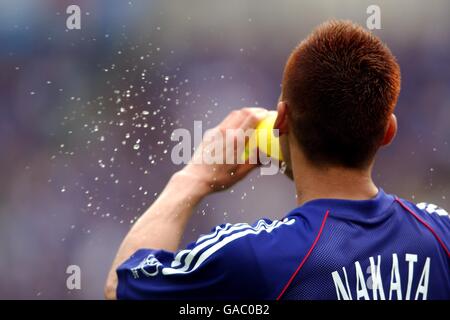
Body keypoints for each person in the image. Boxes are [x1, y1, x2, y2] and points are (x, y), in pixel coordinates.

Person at [104, 20, 449, 300]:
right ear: (388, 131)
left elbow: (122, 289)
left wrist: (192, 179)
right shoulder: (439, 236)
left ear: (280, 119)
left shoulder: (256, 257)